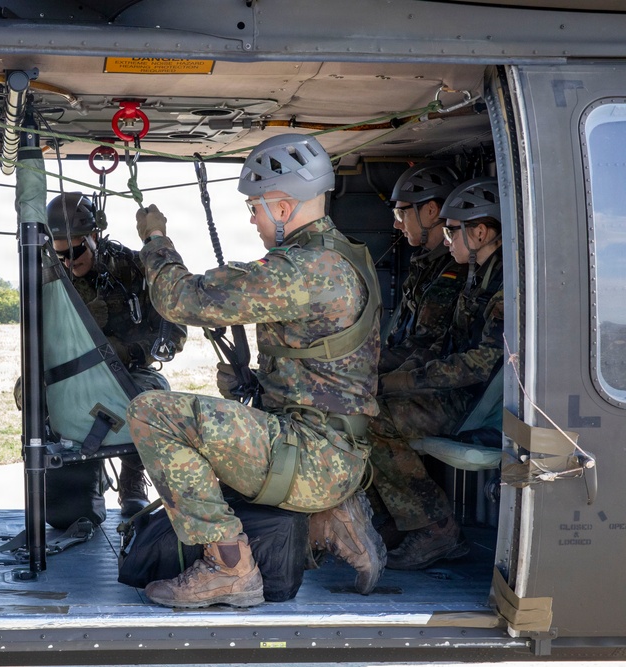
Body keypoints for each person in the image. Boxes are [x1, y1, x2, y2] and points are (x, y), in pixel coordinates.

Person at [125, 133, 385, 609]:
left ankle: (228, 567)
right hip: (339, 450)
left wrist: (155, 240)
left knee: (151, 413)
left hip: (312, 459)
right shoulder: (345, 256)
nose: (252, 219)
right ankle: (335, 515)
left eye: (255, 208)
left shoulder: (300, 270)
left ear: (283, 207)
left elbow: (181, 299)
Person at [368, 177, 504, 570]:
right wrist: (399, 372)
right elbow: (444, 344)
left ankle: (435, 528)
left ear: (480, 233)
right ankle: (400, 520)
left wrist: (405, 381)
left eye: (452, 232)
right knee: (368, 405)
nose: (447, 241)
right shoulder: (478, 275)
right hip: (461, 393)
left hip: (475, 403)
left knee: (375, 418)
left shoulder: (502, 286)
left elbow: (481, 363)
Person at [42, 192, 187, 526]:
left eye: (75, 251)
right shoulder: (50, 280)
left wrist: (128, 351)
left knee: (149, 401)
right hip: (70, 378)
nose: (68, 262)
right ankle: (82, 480)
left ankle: (133, 479)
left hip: (130, 374)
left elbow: (173, 333)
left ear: (94, 235)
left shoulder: (135, 269)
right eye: (59, 255)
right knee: (31, 397)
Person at [381, 163, 467, 373]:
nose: (397, 224)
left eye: (401, 214)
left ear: (431, 210)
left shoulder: (453, 271)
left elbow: (423, 345)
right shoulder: (425, 265)